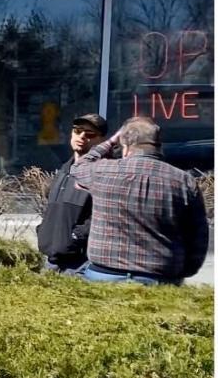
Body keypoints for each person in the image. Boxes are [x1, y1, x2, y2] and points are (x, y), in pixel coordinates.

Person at [71, 116, 208, 285]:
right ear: (159, 146)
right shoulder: (184, 181)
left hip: (105, 275)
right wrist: (184, 270)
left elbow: (79, 166)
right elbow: (198, 236)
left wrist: (111, 141)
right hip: (160, 278)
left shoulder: (103, 171)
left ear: (126, 147)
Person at [36, 113, 107, 275]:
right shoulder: (64, 170)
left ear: (102, 140)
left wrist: (75, 237)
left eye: (90, 134)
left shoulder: (101, 172)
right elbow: (52, 210)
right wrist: (42, 231)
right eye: (77, 131)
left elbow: (103, 216)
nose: (82, 136)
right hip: (51, 260)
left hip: (80, 265)